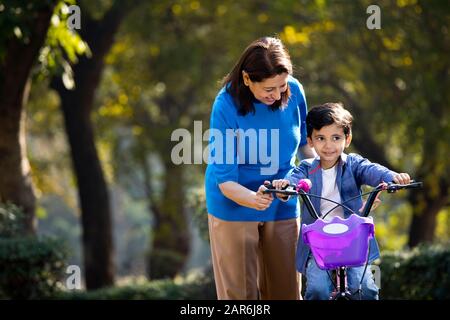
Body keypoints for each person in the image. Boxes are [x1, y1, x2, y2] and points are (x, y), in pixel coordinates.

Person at [204, 37, 316, 300]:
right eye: (269, 89)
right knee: (241, 295)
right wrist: (253, 200)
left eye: (281, 85)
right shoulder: (225, 105)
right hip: (233, 201)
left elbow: (305, 146)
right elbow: (225, 180)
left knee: (287, 291)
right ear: (246, 79)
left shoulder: (295, 91)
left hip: (283, 197)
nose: (277, 95)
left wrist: (328, 170)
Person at [272, 102, 411, 300]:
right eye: (321, 138)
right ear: (310, 141)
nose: (328, 145)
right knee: (318, 289)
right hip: (319, 243)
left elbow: (373, 171)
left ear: (347, 139)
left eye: (336, 138)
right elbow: (291, 183)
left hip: (352, 240)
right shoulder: (305, 168)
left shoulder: (354, 164)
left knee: (365, 288)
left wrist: (393, 177)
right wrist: (283, 187)